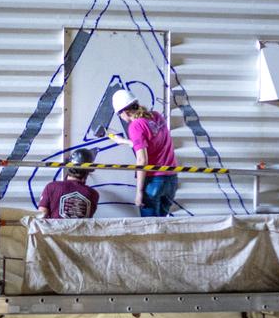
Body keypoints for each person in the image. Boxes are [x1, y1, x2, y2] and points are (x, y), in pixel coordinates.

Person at [111, 88, 179, 216]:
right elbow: (153, 144)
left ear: (125, 111)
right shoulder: (156, 116)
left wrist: (139, 192)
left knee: (150, 227)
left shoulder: (135, 126)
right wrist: (125, 141)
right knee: (161, 225)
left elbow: (142, 160)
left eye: (119, 114)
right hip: (171, 179)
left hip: (154, 181)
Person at [39, 149, 100, 220]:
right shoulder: (93, 194)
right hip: (80, 231)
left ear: (68, 167)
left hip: (55, 231)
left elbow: (42, 216)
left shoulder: (51, 187)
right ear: (88, 172)